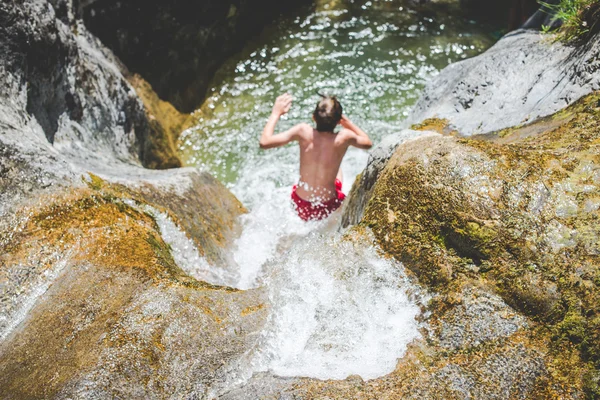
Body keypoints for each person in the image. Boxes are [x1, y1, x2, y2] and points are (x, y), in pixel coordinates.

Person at [259, 93, 373, 221]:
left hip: (300, 204)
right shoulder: (344, 137)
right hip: (328, 207)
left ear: (314, 117)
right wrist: (347, 123)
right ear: (338, 121)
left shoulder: (302, 131)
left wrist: (276, 113)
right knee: (338, 170)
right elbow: (368, 143)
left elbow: (264, 142)